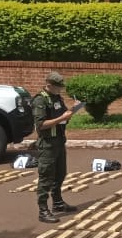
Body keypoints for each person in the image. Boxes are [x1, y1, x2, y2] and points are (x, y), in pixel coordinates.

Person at [33, 71, 84, 224]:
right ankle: (43, 210)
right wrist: (62, 117)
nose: (60, 89)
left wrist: (73, 109)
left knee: (60, 174)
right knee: (46, 177)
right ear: (49, 85)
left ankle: (58, 203)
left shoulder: (57, 98)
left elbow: (64, 117)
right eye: (58, 87)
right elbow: (41, 125)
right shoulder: (40, 100)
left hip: (59, 141)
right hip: (47, 144)